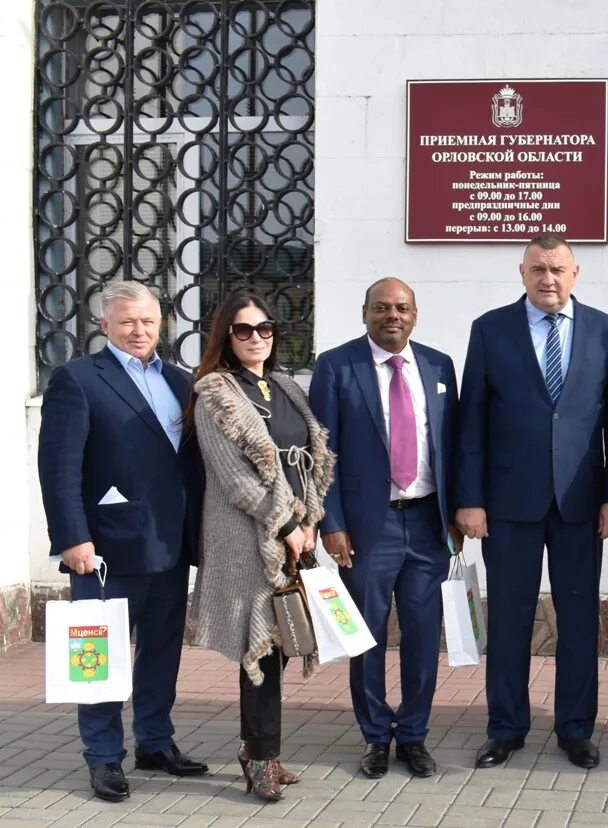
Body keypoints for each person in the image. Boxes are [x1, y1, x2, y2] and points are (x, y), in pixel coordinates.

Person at [455, 233, 608, 771]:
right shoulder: (490, 330)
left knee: (578, 619)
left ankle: (576, 729)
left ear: (575, 273)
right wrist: (470, 500)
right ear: (522, 273)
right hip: (508, 504)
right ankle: (505, 727)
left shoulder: (606, 331)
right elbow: (471, 425)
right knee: (509, 619)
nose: (548, 278)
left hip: (582, 503)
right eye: (538, 269)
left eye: (557, 269)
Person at [37, 280, 208, 802]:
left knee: (162, 651)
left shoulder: (182, 380)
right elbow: (59, 466)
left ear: (162, 325)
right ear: (105, 324)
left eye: (149, 321)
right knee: (100, 655)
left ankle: (155, 741)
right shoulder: (78, 379)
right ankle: (104, 757)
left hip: (170, 542)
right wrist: (72, 536)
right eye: (128, 321)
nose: (139, 330)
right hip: (105, 551)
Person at [309, 278, 460, 780]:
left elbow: (452, 446)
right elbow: (320, 455)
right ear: (364, 313)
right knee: (366, 636)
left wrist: (457, 514)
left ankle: (413, 735)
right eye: (380, 308)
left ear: (415, 315)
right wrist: (331, 522)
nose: (390, 316)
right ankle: (375, 735)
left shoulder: (439, 366)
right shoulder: (336, 366)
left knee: (422, 635)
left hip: (426, 522)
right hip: (367, 527)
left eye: (400, 308)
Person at [187, 292, 335, 800]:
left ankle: (260, 750)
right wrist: (286, 525)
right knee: (262, 649)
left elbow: (311, 458)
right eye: (244, 330)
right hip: (250, 538)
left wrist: (310, 517)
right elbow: (234, 480)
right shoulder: (216, 392)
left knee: (288, 638)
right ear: (225, 337)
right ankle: (261, 756)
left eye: (265, 328)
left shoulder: (287, 386)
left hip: (298, 533)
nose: (256, 338)